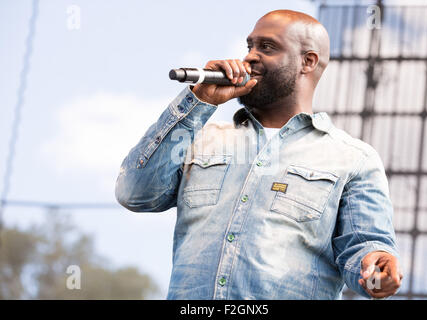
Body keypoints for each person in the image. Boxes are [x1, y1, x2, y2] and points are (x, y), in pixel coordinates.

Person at [115, 9, 402, 299]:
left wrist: (376, 269)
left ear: (308, 61)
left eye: (266, 47)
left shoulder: (352, 158)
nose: (250, 56)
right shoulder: (202, 140)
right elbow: (135, 193)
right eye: (249, 46)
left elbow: (365, 250)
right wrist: (197, 101)